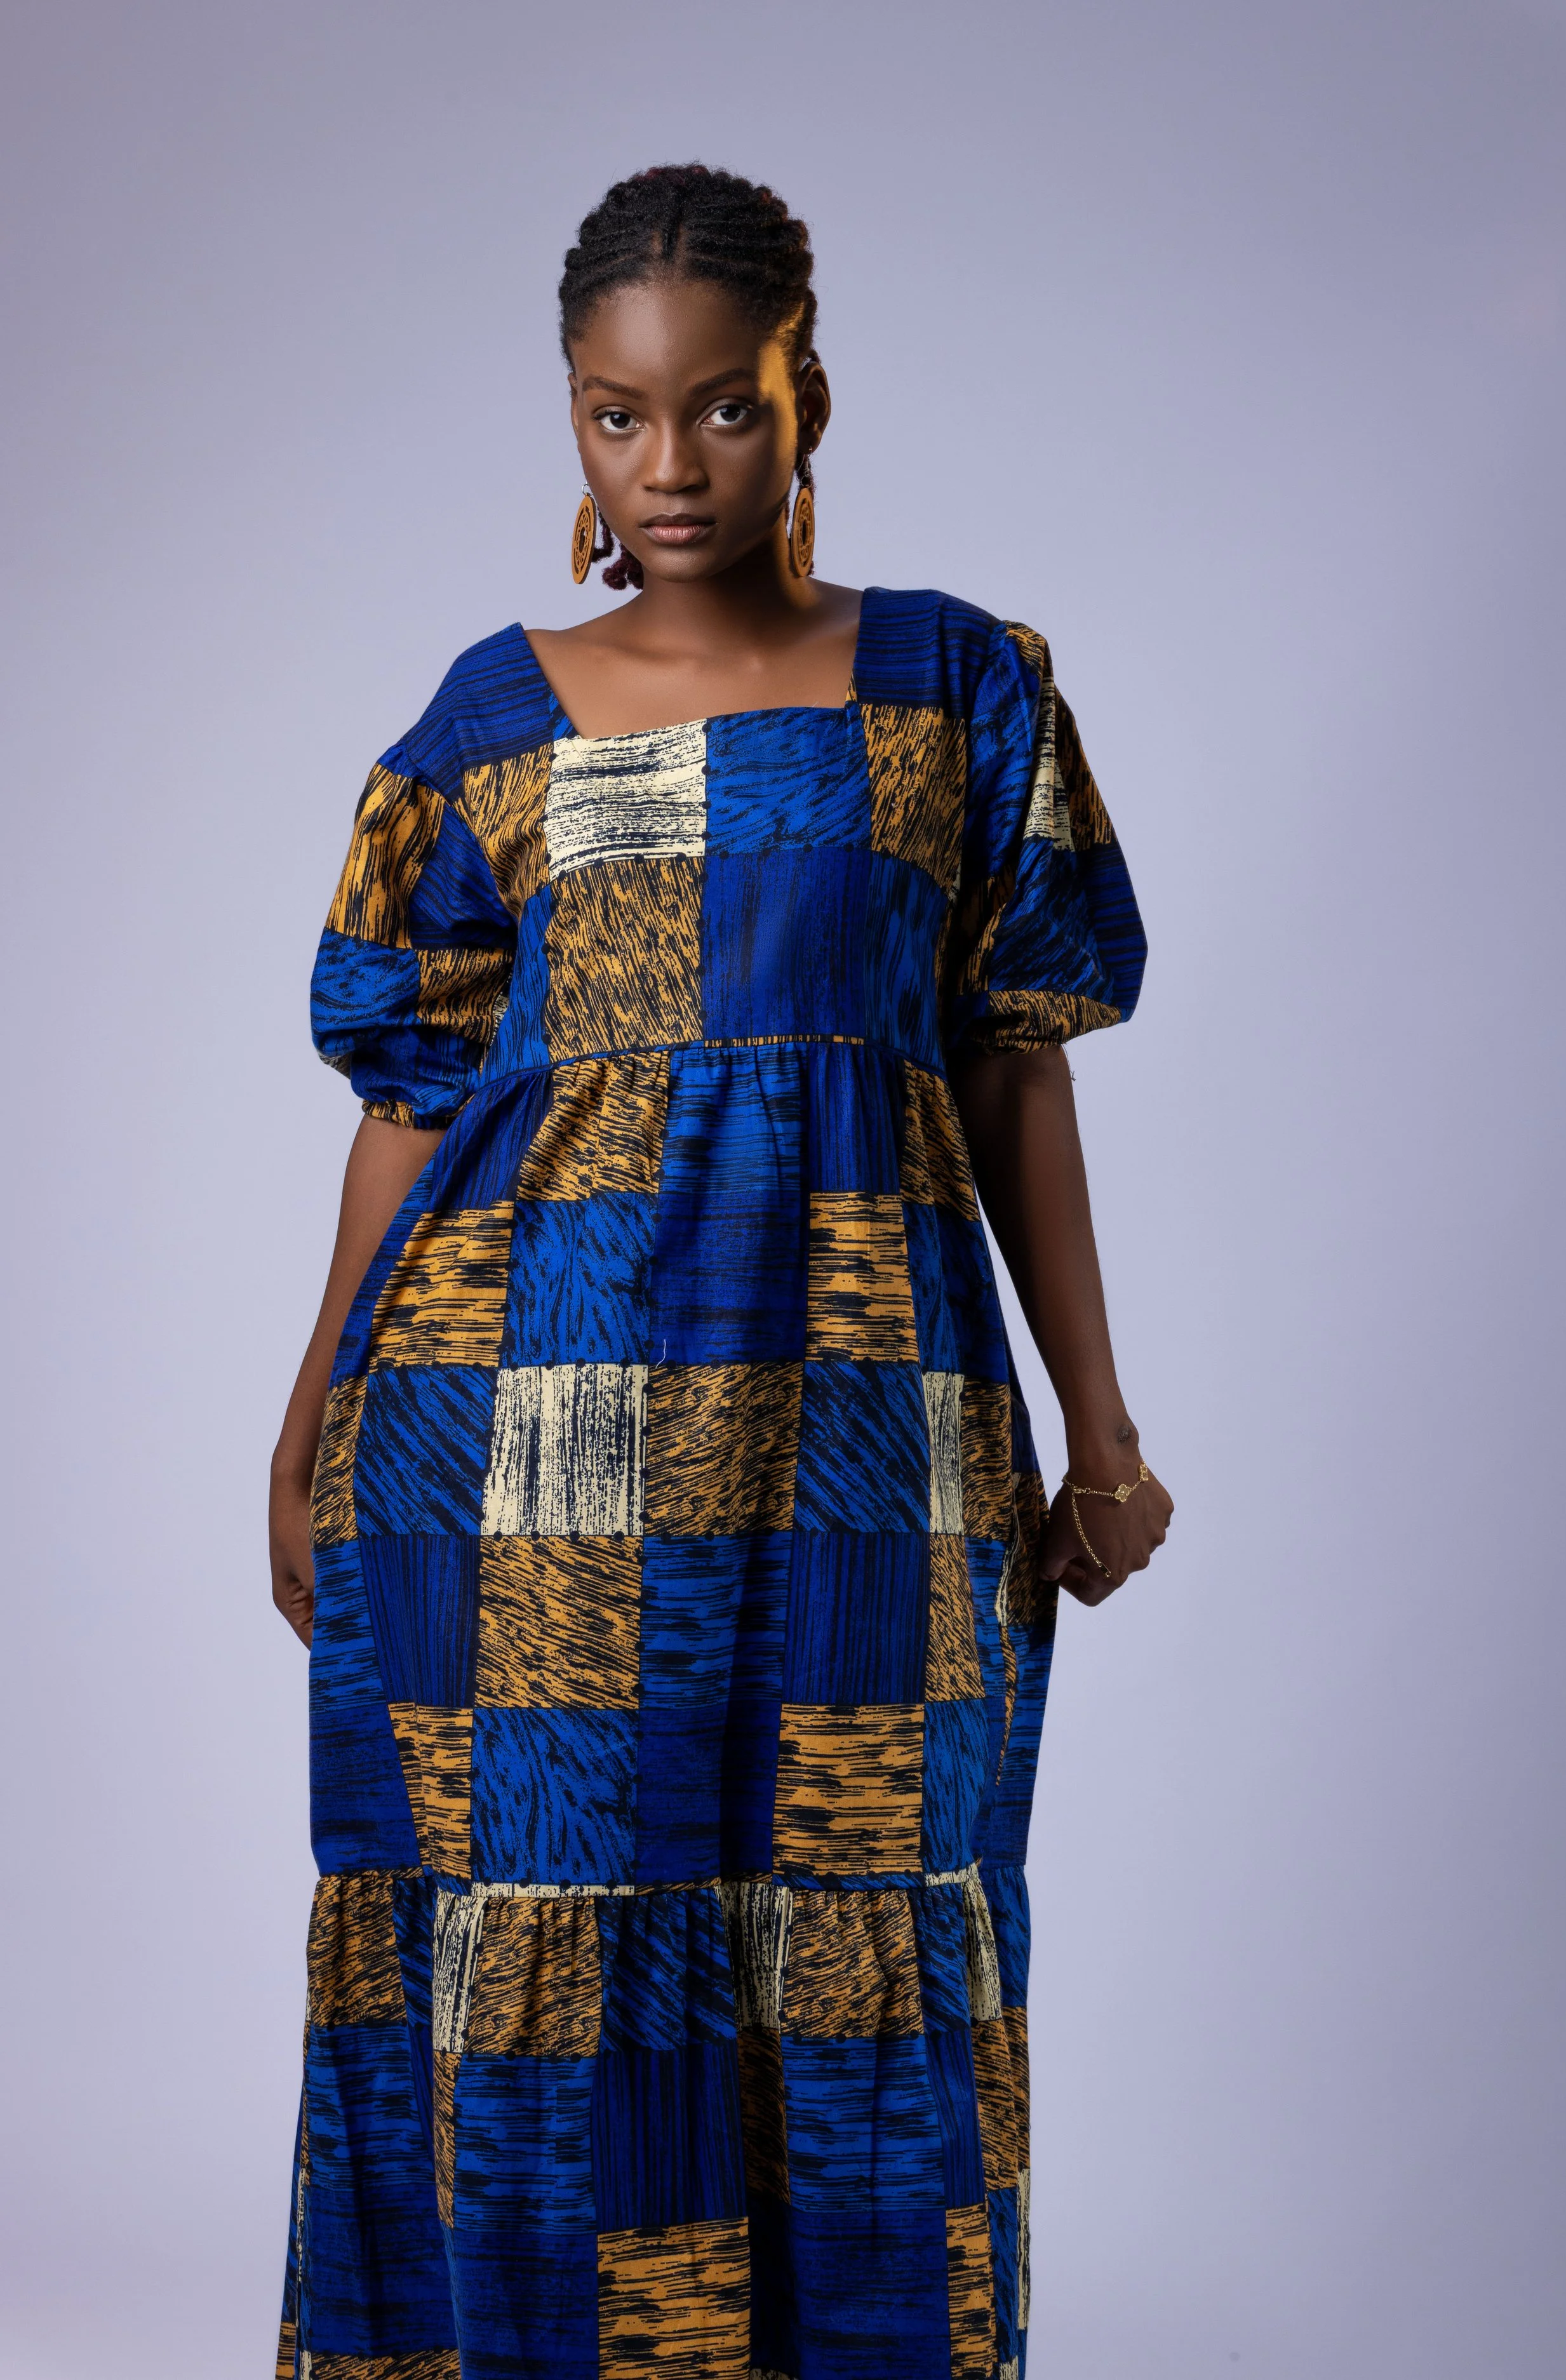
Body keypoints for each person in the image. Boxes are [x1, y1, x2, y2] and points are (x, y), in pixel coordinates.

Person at [268, 161, 1172, 2380]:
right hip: (524, 1438)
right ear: (571, 423)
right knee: (552, 1925)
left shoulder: (958, 686)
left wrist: (1104, 1415)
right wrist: (300, 1426)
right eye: (612, 416)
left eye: (721, 413)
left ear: (808, 394)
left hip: (868, 1435)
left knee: (882, 1926)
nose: (667, 469)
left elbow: (1011, 1068)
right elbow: (405, 1104)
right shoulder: (484, 723)